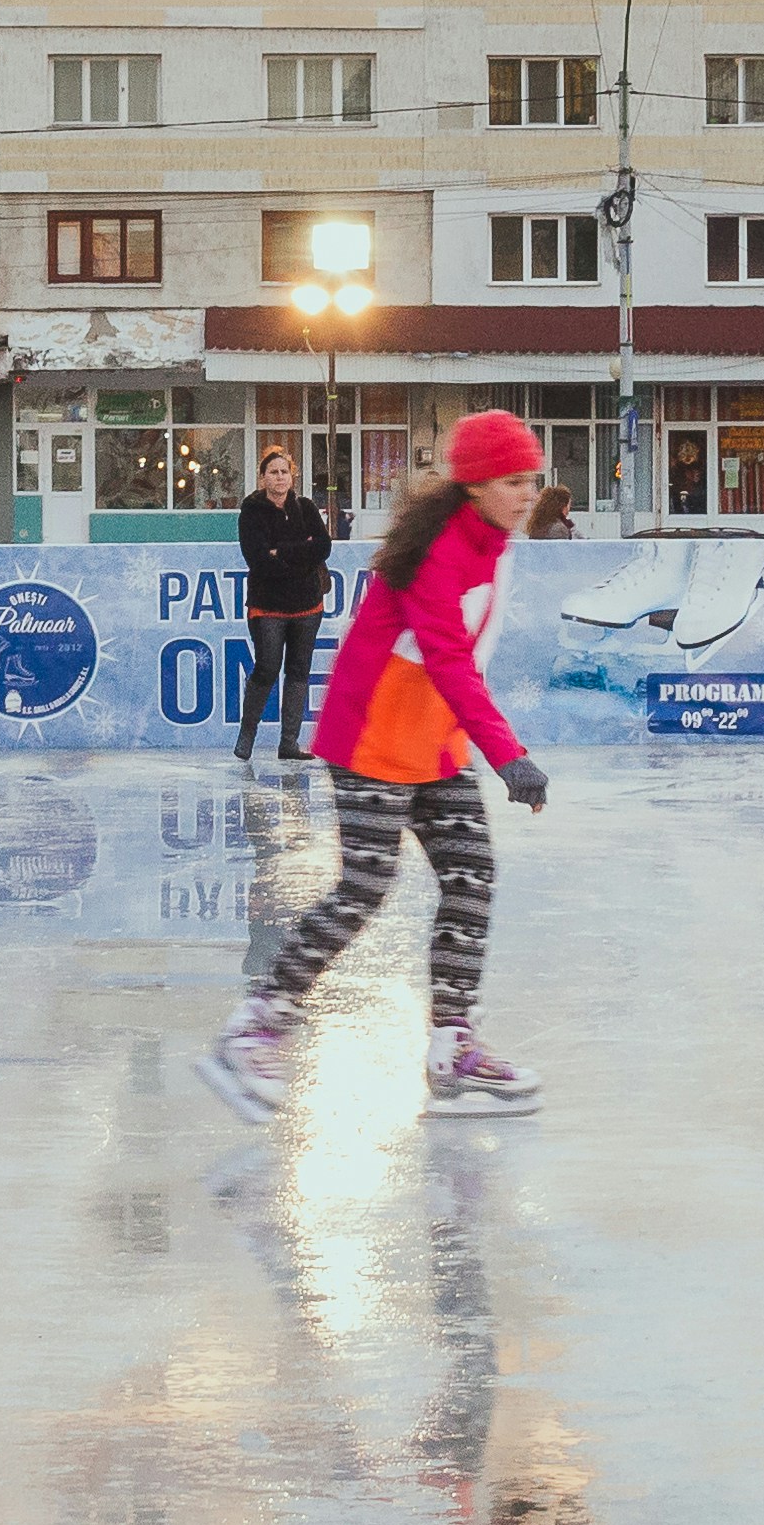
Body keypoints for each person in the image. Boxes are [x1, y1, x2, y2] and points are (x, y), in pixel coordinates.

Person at [201, 410, 555, 1127]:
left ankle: (452, 1042)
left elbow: (460, 663)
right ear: (475, 484)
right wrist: (508, 754)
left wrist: (474, 743)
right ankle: (257, 1024)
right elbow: (450, 659)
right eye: (512, 481)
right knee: (365, 885)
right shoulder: (441, 552)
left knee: (470, 873)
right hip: (371, 736)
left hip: (432, 743)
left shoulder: (495, 544)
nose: (526, 494)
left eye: (531, 480)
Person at [234, 446, 336, 763]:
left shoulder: (306, 508)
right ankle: (246, 736)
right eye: (273, 472)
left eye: (284, 472)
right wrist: (299, 555)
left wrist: (284, 552)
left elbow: (323, 546)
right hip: (268, 605)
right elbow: (259, 560)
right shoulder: (251, 513)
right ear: (263, 478)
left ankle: (288, 742)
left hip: (307, 604)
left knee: (298, 670)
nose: (280, 477)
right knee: (266, 667)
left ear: (292, 477)